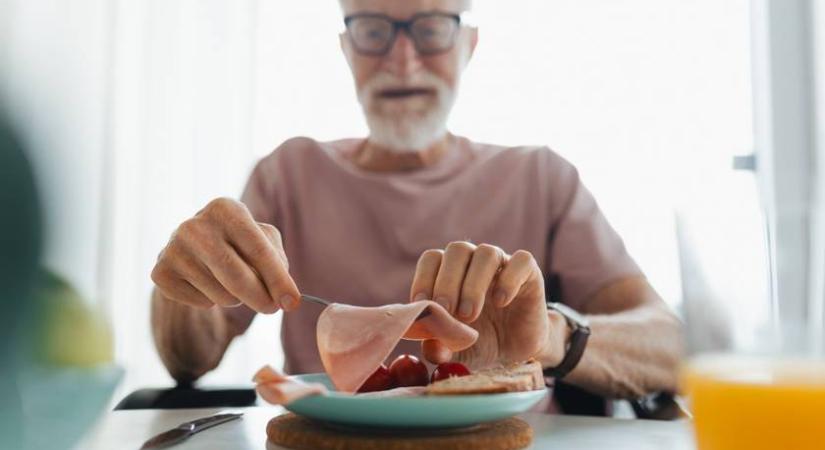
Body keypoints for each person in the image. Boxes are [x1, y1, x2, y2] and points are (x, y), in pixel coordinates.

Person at [150, 0, 682, 410]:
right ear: (346, 49)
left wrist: (550, 337)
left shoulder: (541, 177)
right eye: (373, 30)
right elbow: (188, 358)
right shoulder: (287, 174)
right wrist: (188, 279)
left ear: (468, 44)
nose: (401, 62)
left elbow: (671, 346)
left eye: (429, 29)